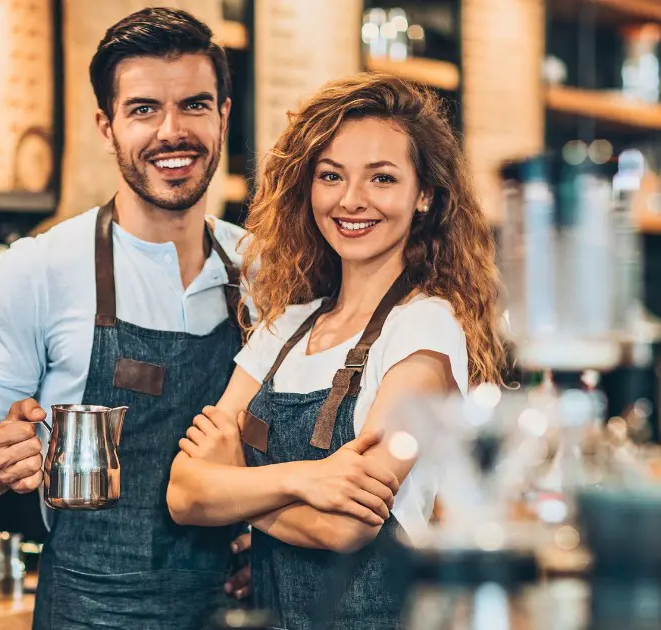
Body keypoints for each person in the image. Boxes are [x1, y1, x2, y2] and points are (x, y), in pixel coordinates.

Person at [0, 8, 254, 629]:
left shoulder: (265, 273)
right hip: (88, 613)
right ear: (106, 126)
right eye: (142, 110)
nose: (171, 131)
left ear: (223, 114)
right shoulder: (40, 268)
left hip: (233, 613)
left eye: (194, 105)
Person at [165, 74, 508, 630]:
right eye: (331, 176)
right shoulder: (286, 328)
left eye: (382, 178)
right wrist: (305, 481)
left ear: (424, 196)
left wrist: (234, 483)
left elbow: (348, 527)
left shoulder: (424, 326)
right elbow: (183, 494)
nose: (352, 200)